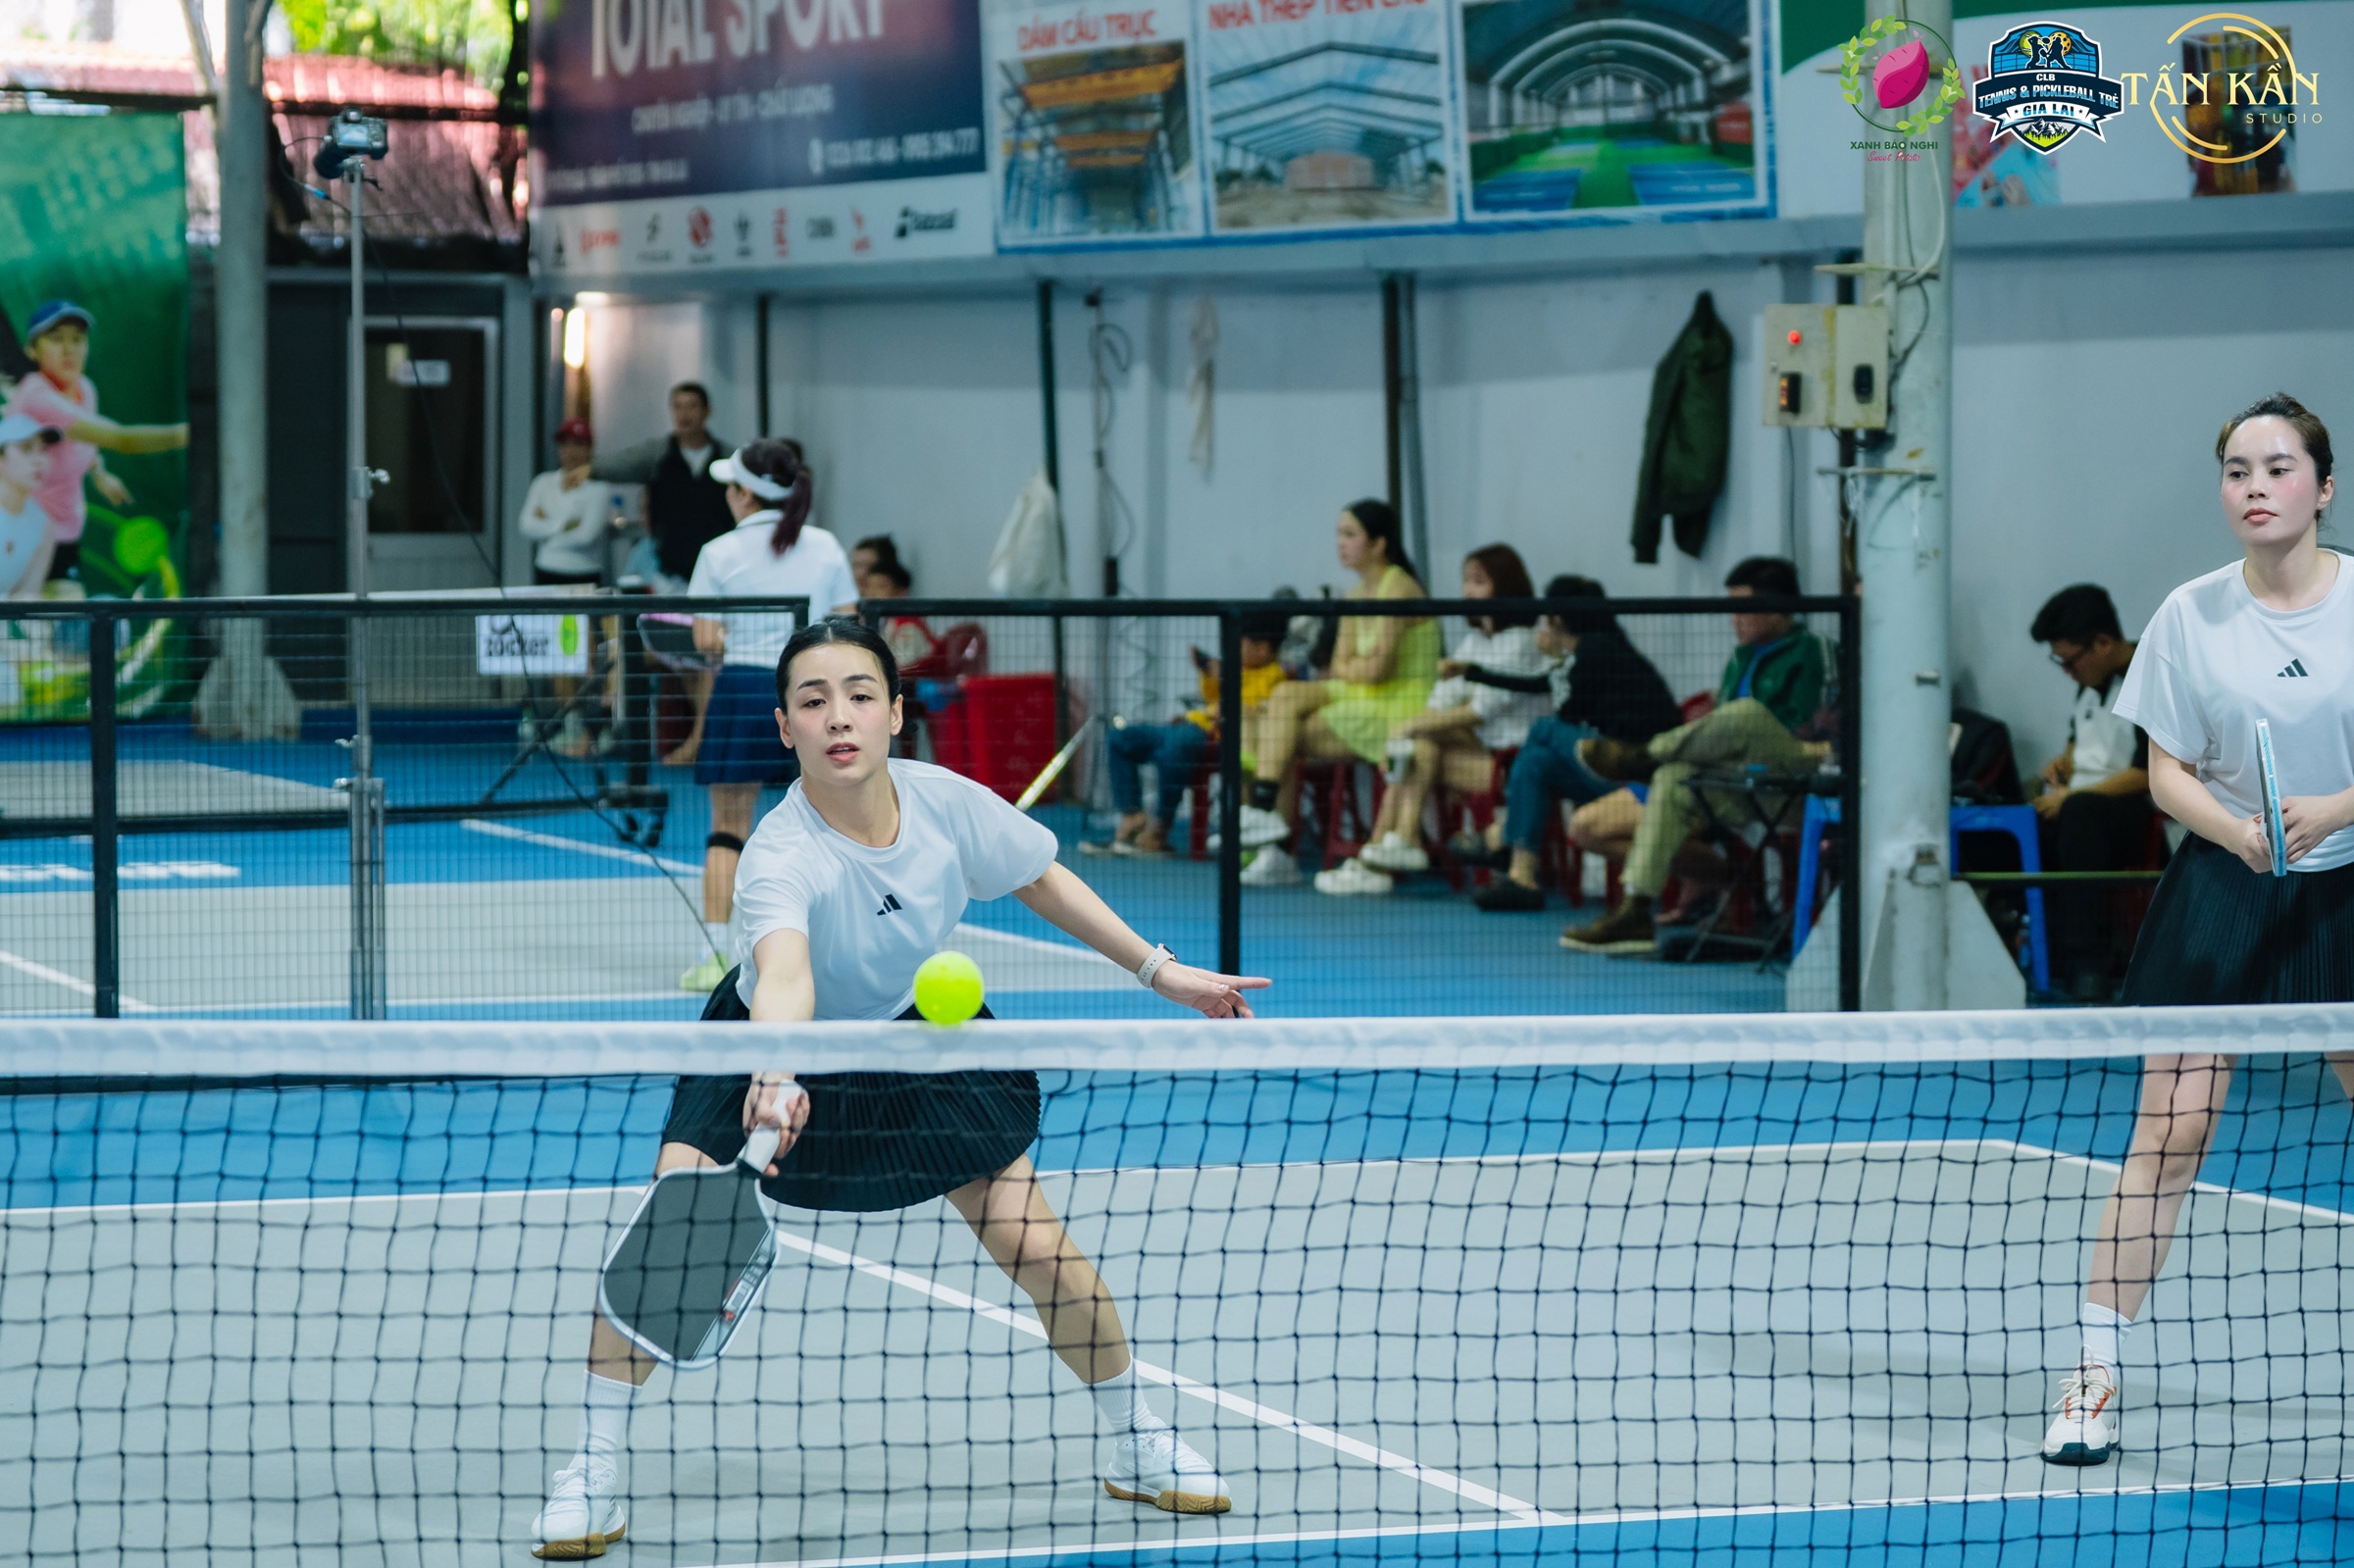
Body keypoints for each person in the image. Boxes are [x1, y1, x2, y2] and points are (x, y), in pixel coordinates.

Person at [531, 619, 1268, 1555]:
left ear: (894, 713)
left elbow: (1041, 876)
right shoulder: (779, 852)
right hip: (770, 1037)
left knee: (1034, 1245)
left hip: (920, 1039)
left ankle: (1137, 1435)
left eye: (859, 695)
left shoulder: (946, 803)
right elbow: (785, 973)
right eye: (813, 701)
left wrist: (1161, 972)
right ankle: (592, 1467)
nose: (838, 716)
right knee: (673, 1240)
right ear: (785, 726)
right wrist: (775, 1070)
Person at [2044, 393, 2354, 1468]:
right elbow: (2165, 770)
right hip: (2226, 878)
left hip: (2347, 877)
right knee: (2169, 1135)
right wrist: (2236, 830)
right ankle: (2093, 1375)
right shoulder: (2189, 613)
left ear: (2323, 485)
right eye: (2236, 471)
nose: (2256, 487)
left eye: (2278, 467)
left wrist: (2334, 809)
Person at [1561, 556, 1828, 954]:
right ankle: (1636, 910)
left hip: (1794, 779)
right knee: (1673, 777)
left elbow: (1801, 729)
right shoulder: (1739, 658)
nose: (1733, 619)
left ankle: (1646, 754)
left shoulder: (1814, 651)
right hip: (1738, 780)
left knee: (1746, 714)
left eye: (1743, 608)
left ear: (1777, 608)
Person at [673, 440, 861, 993]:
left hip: (744, 688)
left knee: (728, 824)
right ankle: (836, 952)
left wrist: (733, 637)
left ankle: (714, 955)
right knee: (831, 822)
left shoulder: (718, 553)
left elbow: (706, 639)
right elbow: (850, 624)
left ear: (743, 494)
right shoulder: (825, 546)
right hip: (816, 690)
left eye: (729, 486)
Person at [1317, 544, 1553, 895]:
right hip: (1476, 750)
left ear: (1505, 587)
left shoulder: (1521, 643)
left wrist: (1408, 726)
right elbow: (1442, 699)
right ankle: (1396, 844)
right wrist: (1406, 734)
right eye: (1466, 581)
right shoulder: (1474, 642)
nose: (1468, 591)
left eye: (1480, 582)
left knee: (1417, 740)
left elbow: (1479, 711)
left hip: (1512, 765)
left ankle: (1379, 856)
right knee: (1417, 746)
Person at [1236, 499, 1438, 886]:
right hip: (1360, 696)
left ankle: (1278, 848)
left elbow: (1379, 671)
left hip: (1402, 704)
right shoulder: (1354, 595)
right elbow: (1343, 664)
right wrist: (1358, 668)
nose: (1340, 543)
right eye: (1338, 534)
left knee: (1283, 734)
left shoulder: (1399, 588)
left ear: (1378, 543)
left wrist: (1355, 668)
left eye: (1350, 534)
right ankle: (1263, 814)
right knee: (1284, 698)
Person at [1459, 577, 1684, 912]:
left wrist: (1556, 660)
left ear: (1558, 620)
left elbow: (1568, 712)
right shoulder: (1591, 651)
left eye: (1545, 618)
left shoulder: (1597, 650)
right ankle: (1521, 878)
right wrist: (1472, 672)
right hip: (1605, 763)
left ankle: (1502, 835)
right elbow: (1537, 685)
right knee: (1536, 762)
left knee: (1544, 729)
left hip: (1636, 770)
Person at [592, 382, 735, 760]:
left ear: (706, 412)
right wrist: (584, 467)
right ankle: (690, 741)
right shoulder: (657, 457)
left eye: (692, 406)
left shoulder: (727, 461)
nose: (684, 414)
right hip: (671, 580)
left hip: (714, 583)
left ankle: (700, 742)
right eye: (677, 406)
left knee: (707, 661)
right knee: (686, 660)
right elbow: (617, 464)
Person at [1, 300, 188, 582]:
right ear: (32, 350)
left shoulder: (85, 390)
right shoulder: (37, 398)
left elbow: (81, 441)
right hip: (21, 538)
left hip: (64, 535)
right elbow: (122, 440)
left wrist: (99, 472)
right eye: (56, 339)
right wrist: (189, 433)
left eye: (77, 339)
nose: (69, 349)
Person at [2027, 583, 2154, 1000]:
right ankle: (2041, 952)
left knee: (2079, 814)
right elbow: (2079, 740)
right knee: (2028, 821)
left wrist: (2072, 798)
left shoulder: (2150, 679)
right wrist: (2063, 762)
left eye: (2070, 661)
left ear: (2102, 643)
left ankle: (2087, 965)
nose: (2067, 672)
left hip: (2136, 811)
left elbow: (2150, 772)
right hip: (2084, 803)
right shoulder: (2088, 683)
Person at [1081, 611, 1288, 859]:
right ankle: (1132, 815)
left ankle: (1159, 830)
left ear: (1263, 649)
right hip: (1188, 725)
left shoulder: (1277, 677)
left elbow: (1251, 710)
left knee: (1174, 749)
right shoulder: (1237, 668)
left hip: (1218, 738)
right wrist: (1210, 673)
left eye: (1242, 644)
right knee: (1121, 738)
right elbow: (1211, 697)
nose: (1236, 649)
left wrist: (1227, 680)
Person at [517, 419, 618, 757]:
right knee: (554, 655)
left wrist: (548, 522)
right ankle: (563, 719)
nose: (570, 452)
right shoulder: (543, 482)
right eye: (565, 445)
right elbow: (525, 525)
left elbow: (587, 534)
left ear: (588, 449)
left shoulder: (598, 487)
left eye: (578, 445)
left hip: (584, 581)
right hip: (547, 578)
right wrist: (565, 523)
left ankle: (590, 725)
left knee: (584, 655)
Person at [0, 414, 59, 600]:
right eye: (26, 449)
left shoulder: (44, 526)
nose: (39, 460)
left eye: (42, 450)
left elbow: (27, 598)